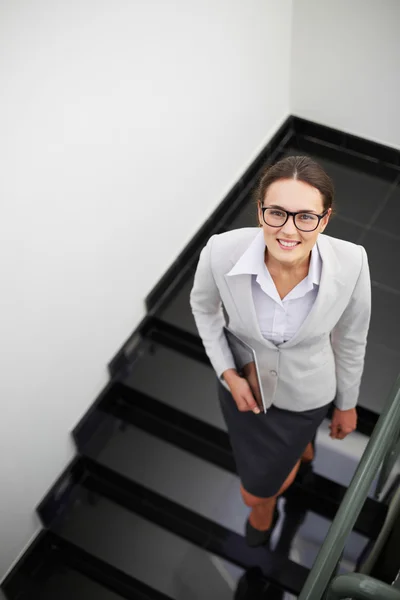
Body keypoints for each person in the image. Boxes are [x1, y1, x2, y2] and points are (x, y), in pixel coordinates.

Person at [190, 156, 371, 547]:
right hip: (245, 393)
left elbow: (352, 338)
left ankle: (266, 512)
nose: (289, 230)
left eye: (305, 217)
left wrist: (347, 403)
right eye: (277, 213)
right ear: (260, 211)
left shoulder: (353, 262)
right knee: (264, 482)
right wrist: (227, 373)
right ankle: (290, 473)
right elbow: (204, 309)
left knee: (255, 492)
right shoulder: (221, 251)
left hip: (306, 395)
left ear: (324, 219)